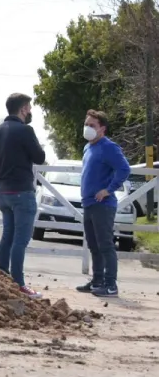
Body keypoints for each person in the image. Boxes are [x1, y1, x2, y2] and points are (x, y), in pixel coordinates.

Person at [0, 93, 46, 299]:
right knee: (20, 240)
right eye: (29, 107)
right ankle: (18, 283)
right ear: (23, 109)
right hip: (22, 191)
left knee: (7, 236)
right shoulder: (25, 130)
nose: (30, 111)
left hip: (3, 192)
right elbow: (40, 157)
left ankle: (2, 277)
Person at [76, 110, 130, 298]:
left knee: (105, 245)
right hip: (89, 203)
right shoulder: (87, 147)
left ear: (102, 129)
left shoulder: (109, 147)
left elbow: (124, 169)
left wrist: (108, 189)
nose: (87, 128)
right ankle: (97, 280)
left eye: (92, 125)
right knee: (93, 244)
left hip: (103, 204)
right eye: (86, 124)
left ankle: (110, 284)